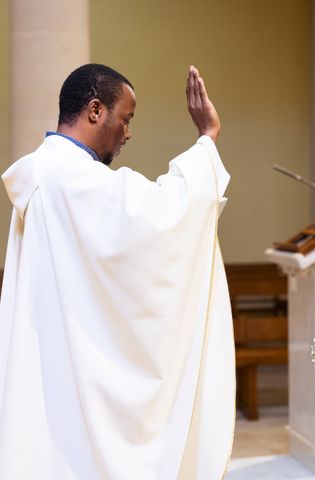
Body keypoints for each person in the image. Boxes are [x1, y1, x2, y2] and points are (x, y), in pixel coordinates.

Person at [0, 64, 235, 479]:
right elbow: (165, 218)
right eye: (125, 119)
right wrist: (207, 139)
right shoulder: (73, 179)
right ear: (95, 110)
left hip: (57, 361)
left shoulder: (44, 176)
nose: (128, 132)